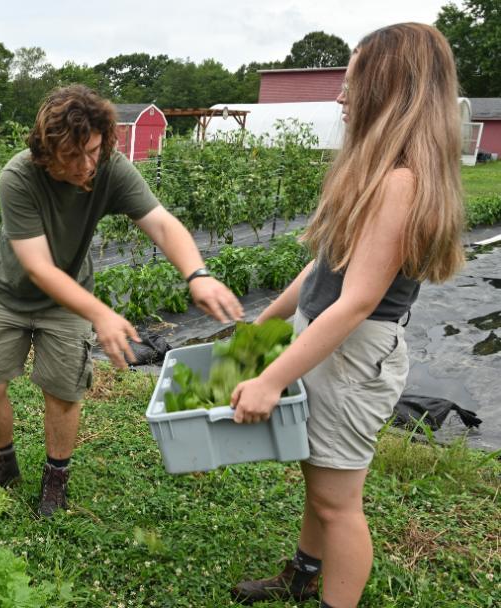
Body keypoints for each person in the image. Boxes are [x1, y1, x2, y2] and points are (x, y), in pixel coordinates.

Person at [229, 23, 465, 608]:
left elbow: (357, 302)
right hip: (332, 339)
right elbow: (322, 271)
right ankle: (304, 575)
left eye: (352, 79)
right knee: (320, 478)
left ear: (389, 88)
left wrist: (271, 378)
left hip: (355, 351)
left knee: (339, 502)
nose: (340, 93)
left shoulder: (402, 183)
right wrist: (266, 326)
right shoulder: (377, 174)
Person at [0, 85, 243, 516]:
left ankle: (56, 478)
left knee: (63, 390)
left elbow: (162, 224)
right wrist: (101, 313)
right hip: (8, 292)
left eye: (93, 150)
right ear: (45, 151)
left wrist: (198, 274)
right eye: (71, 156)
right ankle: (2, 461)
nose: (86, 165)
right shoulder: (18, 176)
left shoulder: (110, 167)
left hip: (67, 301)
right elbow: (38, 267)